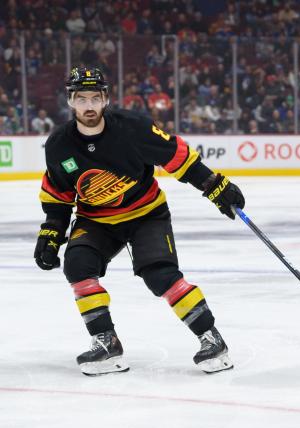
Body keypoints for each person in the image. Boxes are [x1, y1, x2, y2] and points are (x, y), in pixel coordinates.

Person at [34, 67, 246, 375]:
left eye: (96, 97)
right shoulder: (59, 145)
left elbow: (177, 156)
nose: (89, 106)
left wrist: (213, 184)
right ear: (70, 101)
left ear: (106, 98)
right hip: (96, 220)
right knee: (77, 264)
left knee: (160, 275)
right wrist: (51, 232)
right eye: (82, 99)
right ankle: (106, 344)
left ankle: (212, 340)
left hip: (146, 214)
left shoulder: (132, 129)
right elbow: (59, 196)